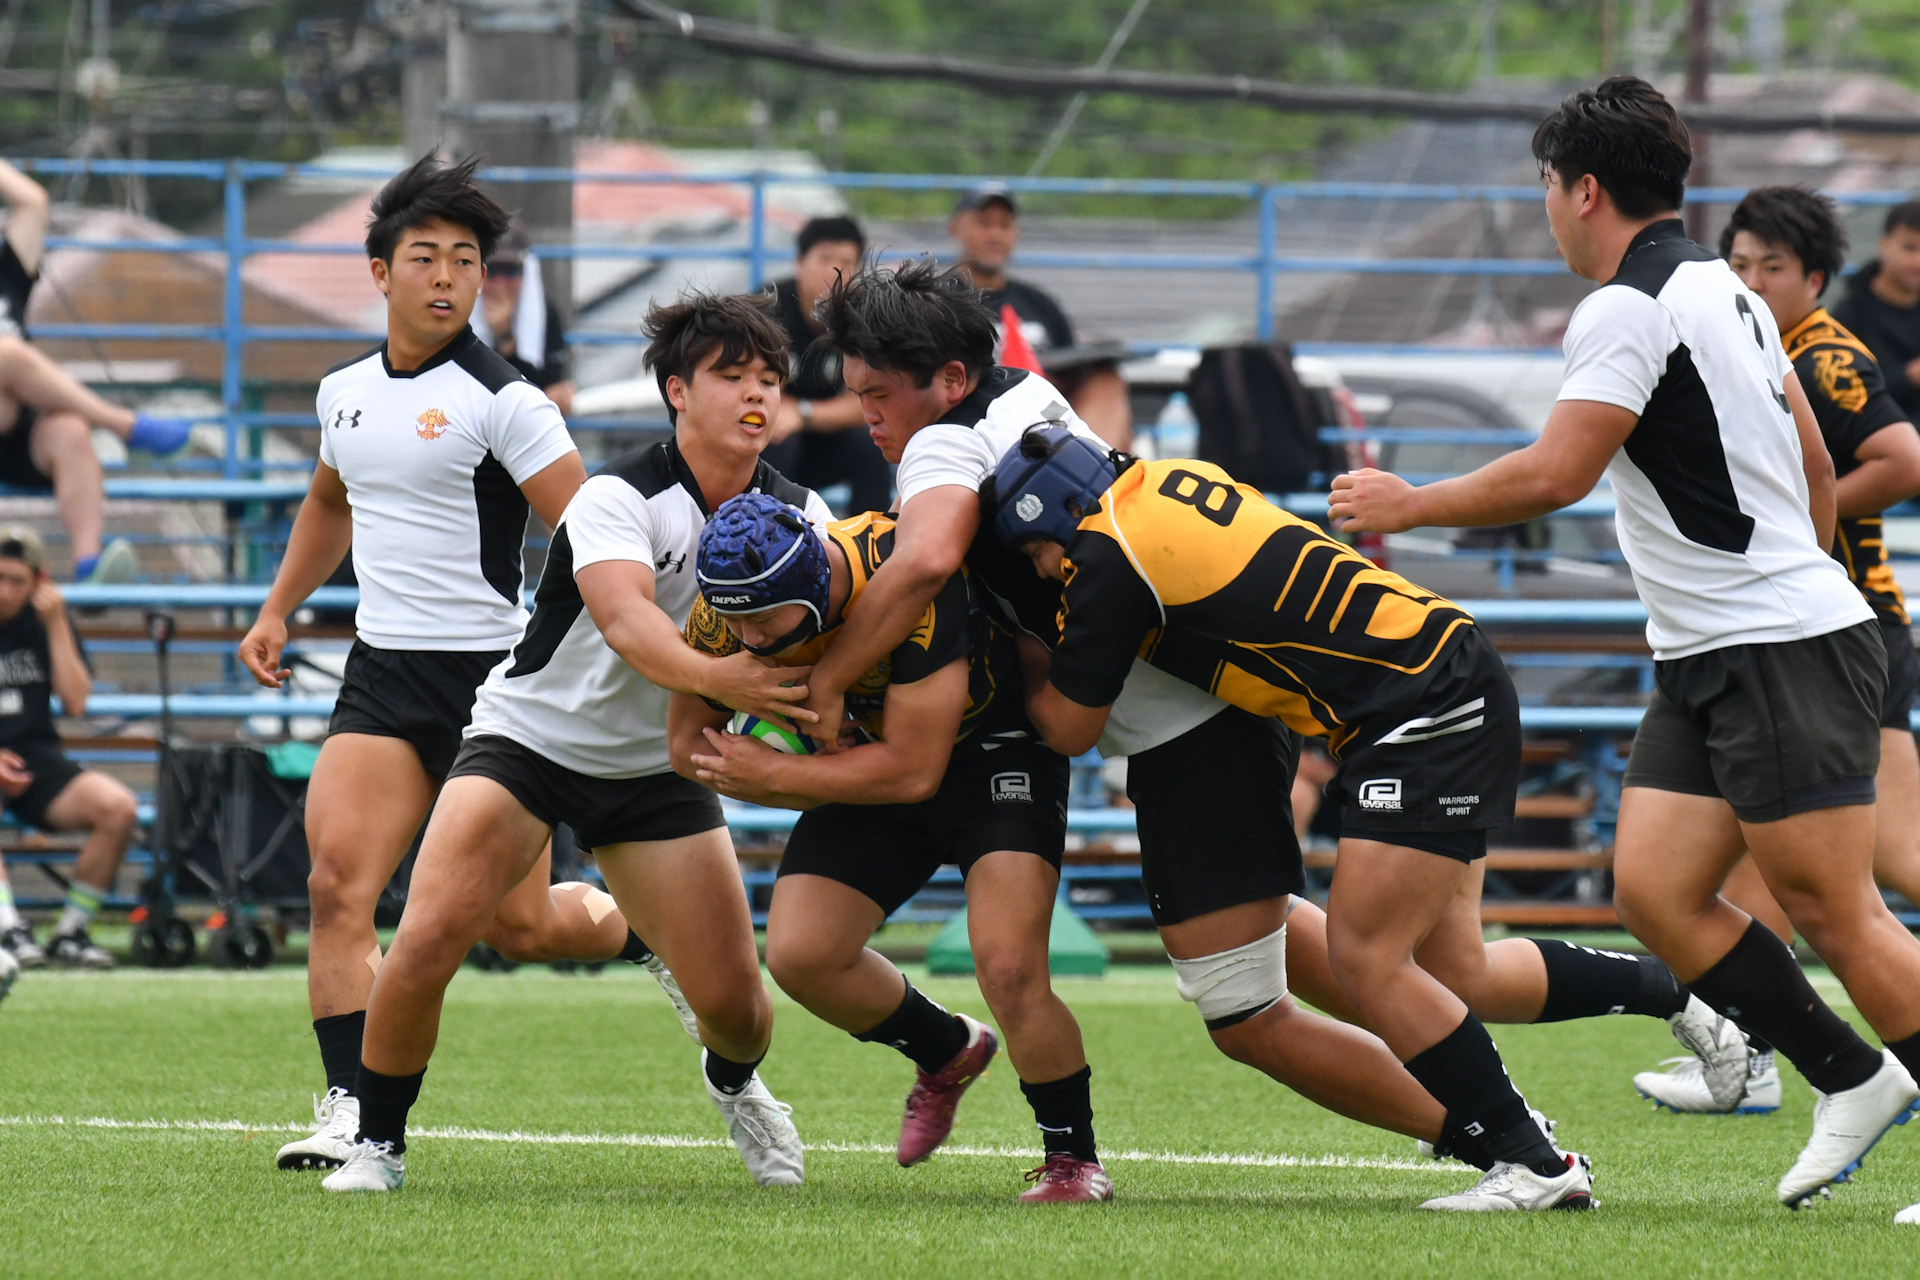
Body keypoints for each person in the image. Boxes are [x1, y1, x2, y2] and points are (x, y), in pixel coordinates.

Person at [1330, 76, 1920, 1216]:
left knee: (1840, 912)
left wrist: (1411, 501)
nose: (1549, 210)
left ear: (1585, 189)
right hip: (1717, 648)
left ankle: (1868, 1073)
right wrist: (1788, 566)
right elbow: (1810, 454)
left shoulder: (1625, 305)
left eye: (1548, 187)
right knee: (1655, 890)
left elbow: (1557, 472)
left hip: (1770, 643)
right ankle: (1852, 1073)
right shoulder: (1726, 287)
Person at [993, 431, 1596, 1212]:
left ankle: (1533, 1160)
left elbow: (1071, 728)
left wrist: (1020, 658)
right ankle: (1674, 1006)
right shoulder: (1169, 480)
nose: (1044, 569)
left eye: (1036, 550)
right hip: (1422, 681)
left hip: (1418, 700)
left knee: (1368, 956)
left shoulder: (1108, 556)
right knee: (1445, 964)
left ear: (1057, 511)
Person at [322, 289, 822, 1194]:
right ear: (677, 391)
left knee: (742, 1014)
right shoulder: (616, 495)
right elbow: (629, 624)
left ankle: (733, 1084)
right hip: (530, 741)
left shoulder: (802, 516)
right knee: (428, 937)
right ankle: (377, 1144)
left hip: (656, 767)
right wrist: (732, 685)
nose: (757, 393)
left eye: (770, 378)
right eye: (733, 375)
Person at [239, 154, 670, 1175]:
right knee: (336, 884)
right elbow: (329, 504)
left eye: (466, 260)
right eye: (425, 256)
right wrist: (275, 609)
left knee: (522, 928)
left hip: (494, 689)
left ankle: (653, 935)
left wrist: (620, 647)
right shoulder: (342, 393)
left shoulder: (508, 400)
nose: (446, 276)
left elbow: (593, 532)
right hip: (382, 674)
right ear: (379, 272)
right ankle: (351, 1107)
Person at [672, 493, 1110, 1202]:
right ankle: (946, 1050)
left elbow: (914, 771)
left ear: (815, 587)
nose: (748, 637)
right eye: (735, 620)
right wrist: (780, 742)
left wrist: (780, 772)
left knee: (1007, 966)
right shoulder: (724, 606)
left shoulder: (902, 575)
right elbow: (685, 744)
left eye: (766, 619)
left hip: (992, 752)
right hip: (866, 760)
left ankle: (1073, 1158)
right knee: (801, 955)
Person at [1630, 185, 1920, 1117]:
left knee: (1883, 869)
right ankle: (1758, 1053)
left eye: (1775, 267)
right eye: (1742, 263)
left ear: (1819, 279)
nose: (1753, 280)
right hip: (1780, 641)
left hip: (1831, 632)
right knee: (1750, 871)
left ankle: (1771, 1056)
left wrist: (1793, 533)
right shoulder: (1741, 340)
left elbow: (1901, 458)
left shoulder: (1825, 356)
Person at [0, 159, 192, 583]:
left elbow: (32, 201)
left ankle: (89, 565)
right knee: (7, 353)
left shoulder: (7, 272)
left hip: (18, 431)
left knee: (69, 429)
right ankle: (125, 425)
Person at [0, 525, 140, 968]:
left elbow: (76, 702)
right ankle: (7, 930)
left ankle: (70, 933)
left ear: (38, 582)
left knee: (117, 808)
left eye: (17, 581)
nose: (4, 591)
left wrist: (57, 622)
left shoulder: (45, 620)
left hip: (34, 757)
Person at [949, 184, 1132, 450]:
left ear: (1016, 232)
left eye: (1004, 225)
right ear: (956, 228)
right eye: (984, 223)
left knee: (1106, 381)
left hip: (1045, 417)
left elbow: (1070, 364)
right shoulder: (940, 301)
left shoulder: (1040, 304)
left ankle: (1096, 466)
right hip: (976, 419)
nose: (994, 234)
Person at [760, 216, 891, 515]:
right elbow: (758, 397)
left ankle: (873, 538)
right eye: (825, 259)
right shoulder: (766, 310)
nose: (834, 272)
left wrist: (802, 414)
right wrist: (791, 415)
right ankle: (767, 534)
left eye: (845, 262)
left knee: (870, 444)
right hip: (772, 443)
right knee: (776, 436)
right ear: (799, 263)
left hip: (823, 440)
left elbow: (867, 404)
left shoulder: (865, 317)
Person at [1831, 201, 1920, 421]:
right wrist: (1907, 377)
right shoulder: (1848, 315)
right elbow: (1842, 391)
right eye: (1909, 248)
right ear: (1884, 244)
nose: (1917, 262)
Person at [474, 225, 573, 416]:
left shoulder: (546, 314)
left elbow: (548, 388)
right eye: (491, 271)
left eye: (511, 271)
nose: (500, 284)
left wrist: (506, 339)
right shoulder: (455, 314)